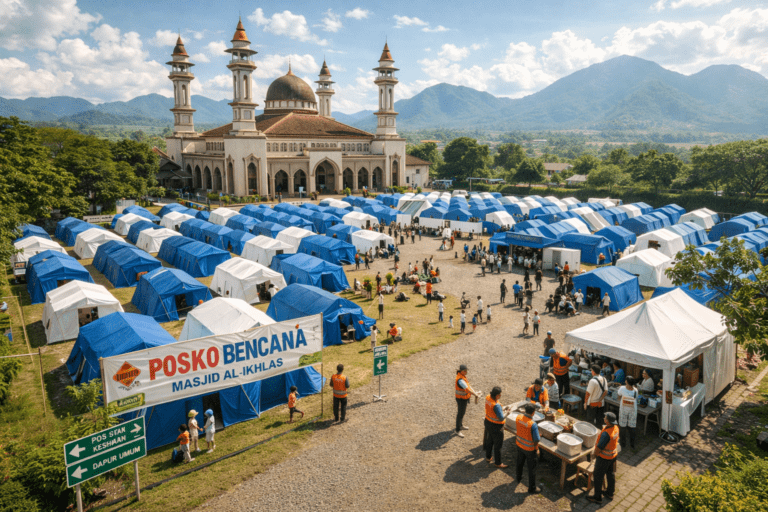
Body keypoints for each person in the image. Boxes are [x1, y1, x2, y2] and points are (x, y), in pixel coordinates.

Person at [587, 412, 619, 504]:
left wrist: (594, 455)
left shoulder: (606, 434)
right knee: (610, 474)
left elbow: (599, 448)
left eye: (605, 418)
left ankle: (597, 497)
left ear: (608, 421)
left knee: (598, 477)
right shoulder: (616, 428)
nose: (604, 418)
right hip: (613, 456)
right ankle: (610, 493)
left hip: (604, 458)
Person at [515, 403, 541, 493]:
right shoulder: (532, 424)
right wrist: (536, 448)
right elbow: (537, 439)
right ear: (533, 413)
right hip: (529, 449)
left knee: (520, 462)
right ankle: (532, 488)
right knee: (531, 469)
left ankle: (518, 477)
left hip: (519, 445)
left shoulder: (518, 417)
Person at [484, 387, 510, 468]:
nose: (500, 395)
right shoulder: (496, 406)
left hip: (488, 422)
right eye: (499, 394)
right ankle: (498, 463)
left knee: (489, 440)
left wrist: (503, 408)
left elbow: (493, 409)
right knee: (498, 445)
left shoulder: (488, 397)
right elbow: (501, 417)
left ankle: (488, 457)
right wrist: (507, 413)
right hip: (496, 426)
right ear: (497, 395)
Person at [455, 364, 480, 438]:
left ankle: (461, 425)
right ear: (461, 371)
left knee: (462, 413)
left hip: (464, 398)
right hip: (461, 399)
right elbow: (467, 389)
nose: (466, 372)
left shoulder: (462, 377)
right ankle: (457, 430)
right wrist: (475, 394)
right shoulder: (460, 380)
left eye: (466, 370)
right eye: (465, 371)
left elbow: (468, 386)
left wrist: (475, 392)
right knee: (460, 414)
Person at [617, 376, 638, 450]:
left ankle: (623, 443)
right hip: (632, 409)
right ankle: (632, 444)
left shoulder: (622, 388)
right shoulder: (635, 390)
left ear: (626, 381)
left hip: (624, 409)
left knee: (622, 426)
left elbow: (619, 396)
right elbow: (636, 398)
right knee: (632, 426)